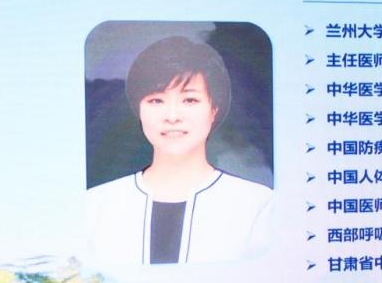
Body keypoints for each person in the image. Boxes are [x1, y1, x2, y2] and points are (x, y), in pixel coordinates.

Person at [87, 36, 272, 265]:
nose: (172, 116)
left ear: (214, 109)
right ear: (139, 110)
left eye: (190, 100)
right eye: (156, 101)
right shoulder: (96, 204)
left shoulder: (257, 204)